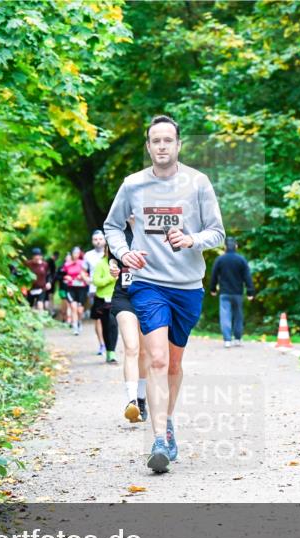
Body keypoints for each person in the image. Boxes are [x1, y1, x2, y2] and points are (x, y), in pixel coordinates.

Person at [104, 114, 225, 473]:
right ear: (148, 146)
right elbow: (112, 225)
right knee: (155, 359)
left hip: (187, 287)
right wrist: (123, 252)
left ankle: (167, 422)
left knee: (173, 363)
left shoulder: (198, 183)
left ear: (178, 145)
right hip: (147, 283)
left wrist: (192, 239)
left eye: (167, 140)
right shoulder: (132, 185)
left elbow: (216, 232)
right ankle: (157, 439)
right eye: (155, 141)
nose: (161, 146)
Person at [109, 214, 149, 423]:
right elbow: (112, 262)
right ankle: (131, 402)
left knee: (144, 352)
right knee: (132, 348)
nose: (132, 213)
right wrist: (113, 267)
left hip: (150, 296)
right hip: (124, 297)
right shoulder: (118, 236)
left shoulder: (153, 233)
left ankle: (142, 399)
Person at [210, 237, 255, 348]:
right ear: (236, 246)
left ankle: (227, 340)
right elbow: (247, 277)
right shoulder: (241, 260)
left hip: (224, 293)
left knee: (225, 315)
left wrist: (213, 289)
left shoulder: (220, 260)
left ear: (225, 247)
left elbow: (214, 275)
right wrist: (250, 292)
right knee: (238, 316)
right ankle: (238, 339)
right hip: (238, 293)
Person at [91, 243, 120, 364]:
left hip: (116, 299)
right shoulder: (101, 263)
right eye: (110, 248)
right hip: (103, 301)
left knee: (113, 325)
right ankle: (108, 352)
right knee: (106, 326)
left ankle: (112, 352)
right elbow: (96, 281)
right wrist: (111, 278)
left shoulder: (121, 263)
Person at [84, 230, 108, 355]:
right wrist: (87, 279)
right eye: (95, 239)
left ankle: (110, 343)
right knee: (98, 318)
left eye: (100, 239)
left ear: (104, 240)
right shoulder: (88, 255)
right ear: (92, 241)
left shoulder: (111, 253)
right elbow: (83, 271)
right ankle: (102, 344)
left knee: (110, 319)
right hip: (94, 291)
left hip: (110, 291)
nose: (98, 241)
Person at [62, 247, 90, 334]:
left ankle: (79, 322)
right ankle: (75, 327)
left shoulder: (83, 263)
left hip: (82, 288)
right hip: (71, 288)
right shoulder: (67, 264)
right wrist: (66, 277)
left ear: (79, 254)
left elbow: (89, 274)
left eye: (77, 253)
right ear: (72, 254)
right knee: (73, 307)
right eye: (74, 253)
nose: (76, 255)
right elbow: (62, 276)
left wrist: (82, 276)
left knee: (80, 310)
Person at [56, 252, 71, 326]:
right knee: (64, 303)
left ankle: (69, 319)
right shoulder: (61, 267)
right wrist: (63, 277)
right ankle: (64, 317)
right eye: (67, 257)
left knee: (69, 304)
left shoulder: (74, 266)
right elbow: (56, 277)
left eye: (69, 257)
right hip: (62, 288)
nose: (68, 259)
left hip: (72, 288)